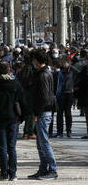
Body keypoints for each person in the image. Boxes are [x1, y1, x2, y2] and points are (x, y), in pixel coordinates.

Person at [0, 61, 26, 181]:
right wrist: (21, 117)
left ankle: (4, 173)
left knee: (2, 147)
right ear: (9, 70)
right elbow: (22, 101)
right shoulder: (16, 84)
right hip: (13, 118)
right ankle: (13, 173)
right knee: (12, 147)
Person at [28, 49, 58, 180]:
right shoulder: (45, 73)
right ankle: (44, 167)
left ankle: (52, 169)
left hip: (43, 112)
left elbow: (44, 97)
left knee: (43, 142)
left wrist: (36, 112)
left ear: (37, 60)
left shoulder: (43, 75)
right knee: (40, 143)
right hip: (43, 111)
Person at [17, 54, 36, 140]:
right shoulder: (31, 69)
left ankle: (27, 132)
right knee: (31, 114)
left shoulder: (23, 69)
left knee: (27, 113)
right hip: (30, 93)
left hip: (24, 93)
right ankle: (29, 132)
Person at [55, 59, 74, 138]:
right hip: (60, 94)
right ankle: (60, 131)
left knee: (68, 113)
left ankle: (68, 131)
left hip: (69, 93)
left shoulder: (72, 71)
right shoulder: (59, 73)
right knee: (59, 113)